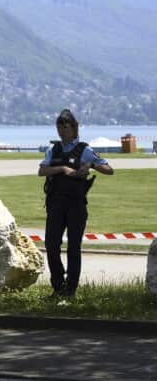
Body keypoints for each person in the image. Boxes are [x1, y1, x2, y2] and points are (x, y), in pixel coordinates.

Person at [38, 108, 113, 298]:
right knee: (51, 245)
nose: (62, 131)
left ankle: (70, 290)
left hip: (76, 205)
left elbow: (108, 169)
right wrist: (63, 169)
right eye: (59, 127)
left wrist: (91, 165)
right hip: (55, 203)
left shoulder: (84, 149)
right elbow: (42, 171)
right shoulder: (53, 149)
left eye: (66, 127)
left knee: (73, 247)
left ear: (74, 128)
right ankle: (58, 285)